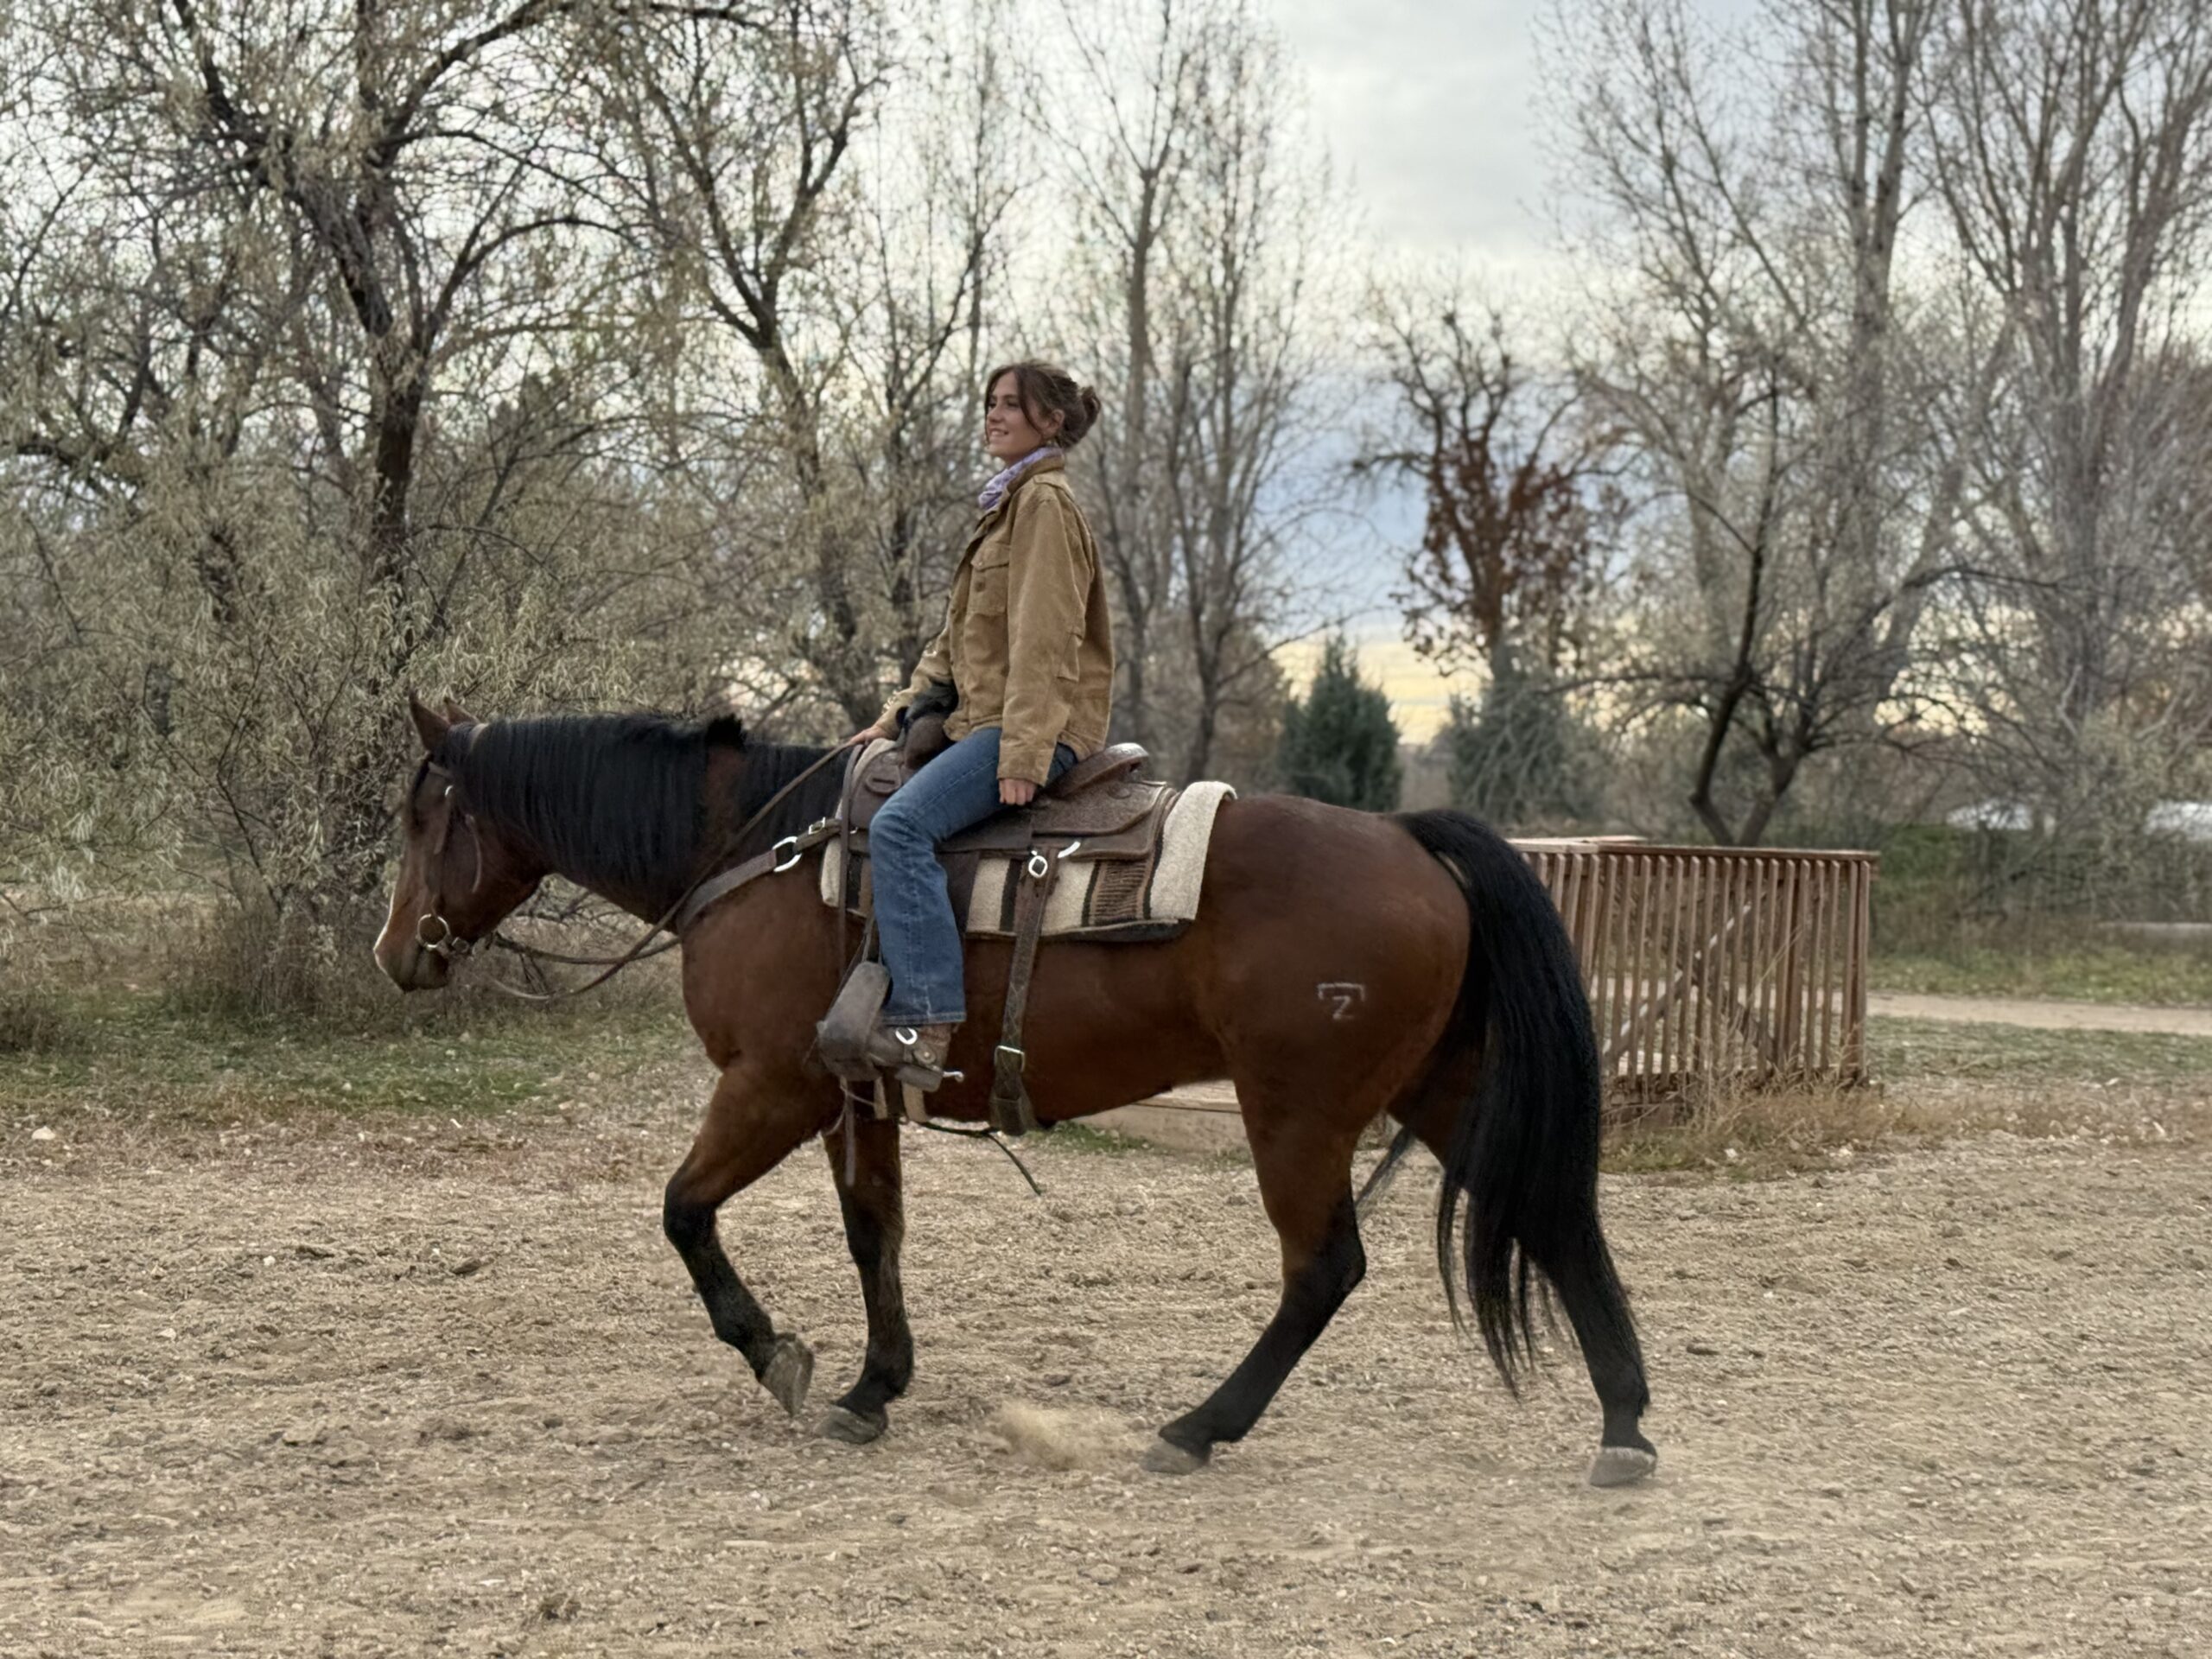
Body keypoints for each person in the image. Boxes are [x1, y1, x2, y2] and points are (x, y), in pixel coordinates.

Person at [848, 360, 1116, 1087]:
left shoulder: (1044, 507)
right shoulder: (1005, 506)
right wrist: (894, 715)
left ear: (1050, 421)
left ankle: (925, 1022)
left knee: (901, 828)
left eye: (1010, 406)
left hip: (1033, 727)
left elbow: (1045, 640)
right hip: (984, 719)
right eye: (990, 404)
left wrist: (1026, 755)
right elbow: (955, 638)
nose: (992, 416)